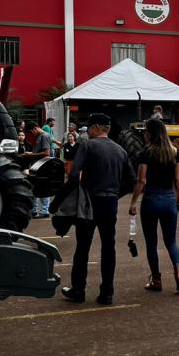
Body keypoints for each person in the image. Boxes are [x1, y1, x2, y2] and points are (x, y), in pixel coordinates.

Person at [62, 113, 134, 305]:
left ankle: (78, 291)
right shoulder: (120, 150)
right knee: (108, 248)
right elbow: (131, 180)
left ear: (95, 127)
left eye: (89, 128)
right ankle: (107, 293)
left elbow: (74, 174)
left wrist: (63, 199)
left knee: (82, 247)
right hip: (110, 203)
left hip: (88, 203)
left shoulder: (87, 145)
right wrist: (115, 195)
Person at [128, 119, 179, 293]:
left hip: (151, 200)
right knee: (171, 242)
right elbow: (178, 179)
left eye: (146, 131)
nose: (144, 134)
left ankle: (156, 280)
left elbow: (141, 180)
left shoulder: (146, 153)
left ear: (151, 133)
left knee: (151, 243)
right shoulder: (175, 152)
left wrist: (133, 203)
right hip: (169, 200)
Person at [24, 123, 53, 218]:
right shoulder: (40, 136)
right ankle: (35, 210)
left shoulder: (44, 136)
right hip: (38, 166)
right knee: (36, 188)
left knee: (43, 188)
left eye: (31, 132)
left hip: (43, 166)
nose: (32, 134)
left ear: (35, 128)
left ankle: (44, 211)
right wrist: (32, 153)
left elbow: (46, 152)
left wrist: (30, 155)